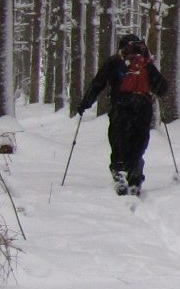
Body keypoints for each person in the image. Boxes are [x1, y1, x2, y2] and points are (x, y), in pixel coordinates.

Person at [73, 33, 170, 196]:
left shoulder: (115, 62)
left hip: (121, 109)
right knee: (138, 144)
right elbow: (163, 88)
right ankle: (135, 177)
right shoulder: (145, 64)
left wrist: (85, 103)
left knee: (118, 142)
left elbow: (98, 83)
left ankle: (120, 175)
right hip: (143, 110)